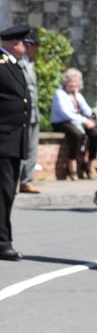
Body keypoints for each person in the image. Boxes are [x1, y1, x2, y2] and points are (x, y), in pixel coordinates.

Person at [0, 24, 32, 261]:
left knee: (7, 194)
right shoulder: (2, 65)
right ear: (14, 44)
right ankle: (3, 243)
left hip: (13, 141)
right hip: (3, 140)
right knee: (3, 194)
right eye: (24, 43)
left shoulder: (14, 66)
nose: (27, 47)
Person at [51, 68, 97, 181]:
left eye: (76, 82)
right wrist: (84, 121)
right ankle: (72, 166)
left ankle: (89, 165)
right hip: (62, 122)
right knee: (77, 135)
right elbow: (65, 113)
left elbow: (87, 111)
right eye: (71, 82)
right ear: (65, 82)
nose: (73, 84)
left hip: (78, 121)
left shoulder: (78, 95)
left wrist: (79, 101)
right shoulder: (60, 94)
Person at [18, 29, 39, 194]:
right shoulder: (18, 62)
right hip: (22, 113)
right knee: (21, 148)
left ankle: (27, 181)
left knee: (32, 149)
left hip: (34, 113)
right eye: (35, 46)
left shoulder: (29, 62)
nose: (36, 50)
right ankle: (16, 180)